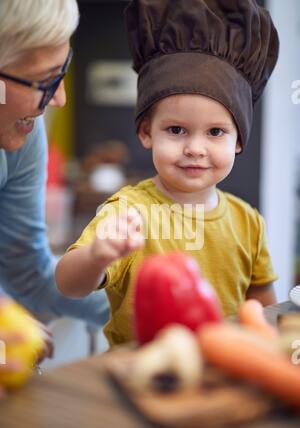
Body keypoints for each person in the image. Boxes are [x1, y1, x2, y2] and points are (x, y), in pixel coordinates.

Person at [55, 0, 279, 347]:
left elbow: (263, 305)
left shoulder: (248, 221)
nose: (195, 148)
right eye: (176, 130)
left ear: (238, 141)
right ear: (146, 132)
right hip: (140, 374)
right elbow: (69, 285)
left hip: (221, 376)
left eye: (216, 132)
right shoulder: (128, 213)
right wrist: (96, 255)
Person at [0, 0, 110, 376]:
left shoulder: (21, 139)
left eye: (62, 70)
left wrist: (135, 305)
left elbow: (28, 275)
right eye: (45, 81)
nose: (59, 98)